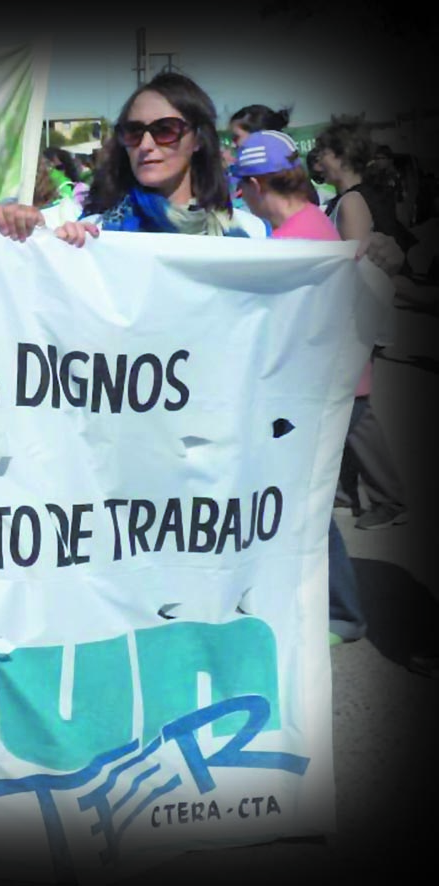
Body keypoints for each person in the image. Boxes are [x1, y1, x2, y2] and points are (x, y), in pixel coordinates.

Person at [231, 129, 367, 643]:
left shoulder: (291, 243)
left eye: (243, 186)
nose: (240, 196)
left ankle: (342, 613)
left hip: (321, 393)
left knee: (306, 508)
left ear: (261, 183)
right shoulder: (310, 224)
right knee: (305, 505)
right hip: (335, 387)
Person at [314, 115, 410, 530]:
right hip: (353, 319)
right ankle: (344, 491)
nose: (316, 159)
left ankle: (389, 498)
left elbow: (352, 265)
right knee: (344, 408)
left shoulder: (351, 201)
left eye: (322, 152)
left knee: (356, 411)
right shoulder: (348, 198)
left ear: (338, 156)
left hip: (356, 320)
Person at [51, 71, 269, 246]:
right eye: (134, 131)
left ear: (198, 140)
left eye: (165, 130)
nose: (146, 145)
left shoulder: (253, 234)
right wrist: (65, 247)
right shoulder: (95, 234)